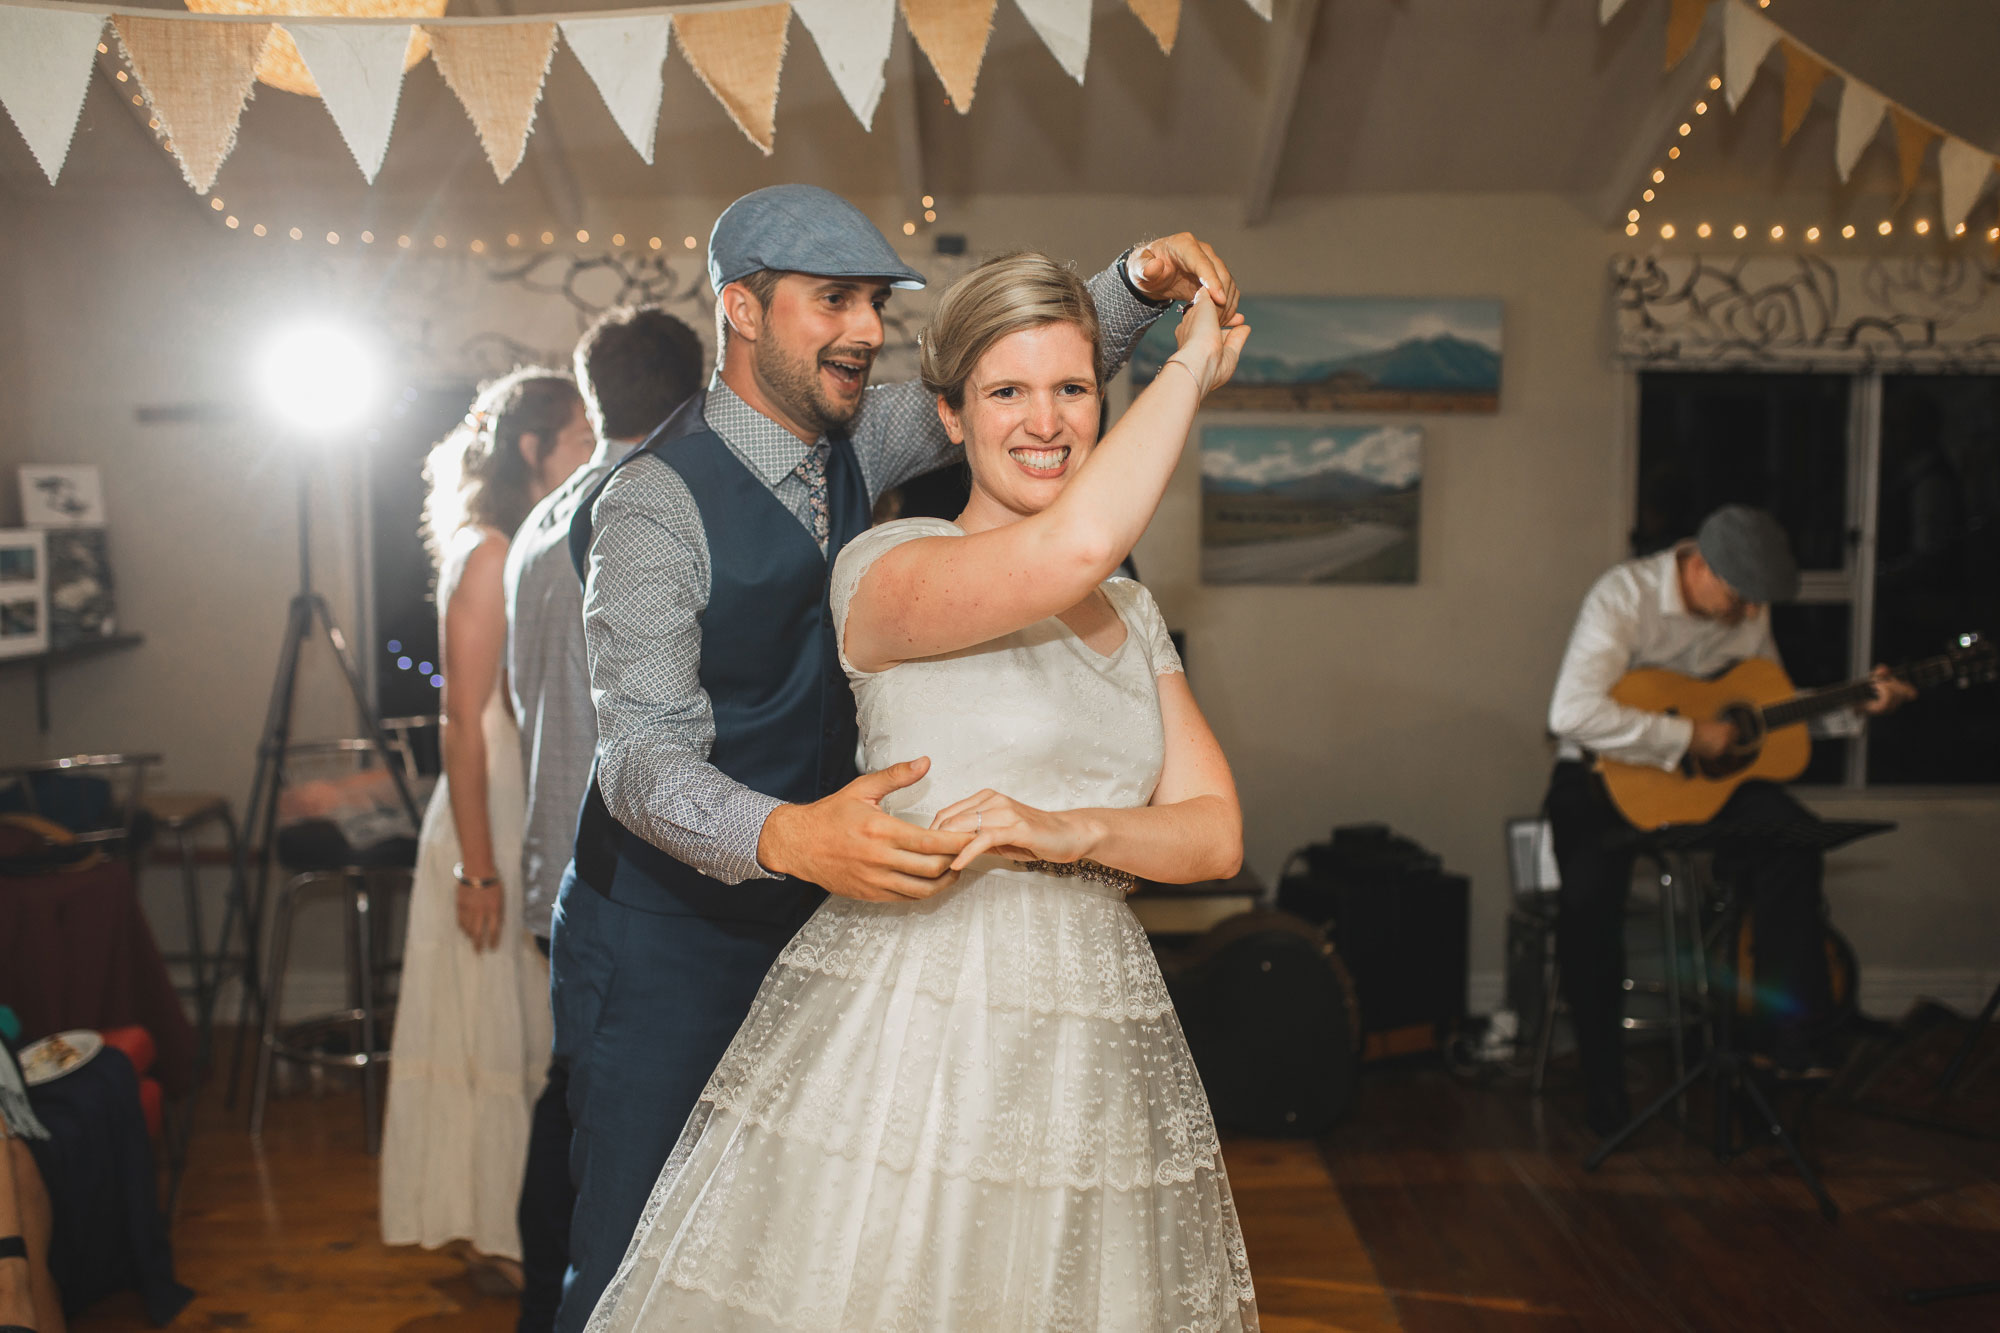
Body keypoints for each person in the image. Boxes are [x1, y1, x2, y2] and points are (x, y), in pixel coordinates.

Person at [551, 183, 1237, 1332]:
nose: (868, 329)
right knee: (651, 1252)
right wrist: (786, 833)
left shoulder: (858, 441)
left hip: (848, 905)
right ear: (743, 309)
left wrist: (1135, 284)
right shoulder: (653, 505)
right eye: (835, 302)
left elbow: (1023, 382)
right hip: (672, 929)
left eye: (875, 302)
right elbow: (637, 759)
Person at [1543, 504, 1915, 1136]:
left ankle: (1776, 1053)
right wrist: (1687, 735)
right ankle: (1605, 1093)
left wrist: (1854, 706)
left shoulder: (1750, 606)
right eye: (1740, 599)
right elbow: (1571, 712)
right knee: (1588, 912)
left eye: (1756, 604)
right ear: (1702, 568)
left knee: (1794, 843)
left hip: (1704, 785)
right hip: (1600, 780)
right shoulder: (1624, 596)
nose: (1749, 614)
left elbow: (1764, 708)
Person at [504, 308, 703, 1333]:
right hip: (630, 869)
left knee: (574, 1095)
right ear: (693, 398)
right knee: (618, 1121)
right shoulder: (654, 512)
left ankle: (555, 1305)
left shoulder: (539, 522)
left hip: (557, 865)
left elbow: (522, 700)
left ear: (594, 398)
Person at [380, 369, 595, 1278]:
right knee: (488, 1030)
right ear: (532, 448)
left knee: (518, 1030)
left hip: (516, 805)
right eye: (580, 437)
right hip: (485, 816)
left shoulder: (539, 537)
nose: (593, 452)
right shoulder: (490, 549)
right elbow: (460, 717)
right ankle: (496, 1235)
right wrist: (479, 865)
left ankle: (506, 1230)